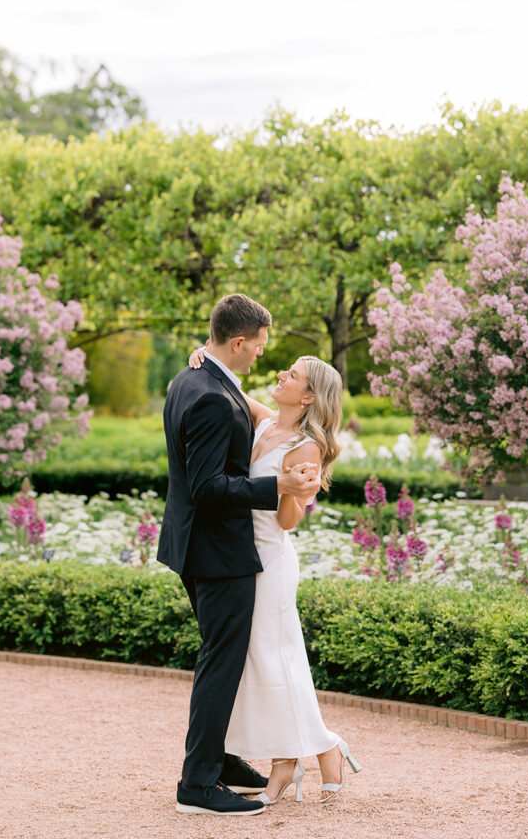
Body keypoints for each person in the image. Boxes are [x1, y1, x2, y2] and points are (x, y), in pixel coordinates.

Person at [157, 294, 320, 817]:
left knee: (222, 660)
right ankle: (198, 785)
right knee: (220, 665)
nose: (260, 358)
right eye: (258, 347)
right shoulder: (209, 393)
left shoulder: (192, 379)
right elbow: (207, 488)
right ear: (237, 342)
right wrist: (277, 485)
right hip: (218, 552)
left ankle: (222, 761)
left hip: (198, 546)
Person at [188, 343, 363, 805]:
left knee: (272, 659)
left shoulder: (305, 446)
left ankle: (302, 754)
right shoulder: (266, 420)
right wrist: (204, 356)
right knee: (268, 660)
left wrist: (293, 491)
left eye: (293, 375)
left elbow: (288, 522)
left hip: (270, 559)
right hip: (241, 555)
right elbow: (230, 386)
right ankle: (316, 748)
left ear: (307, 397)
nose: (282, 375)